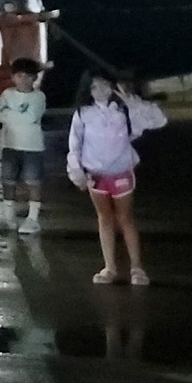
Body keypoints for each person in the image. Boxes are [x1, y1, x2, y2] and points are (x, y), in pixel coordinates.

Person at [68, 70, 167, 286]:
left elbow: (158, 120)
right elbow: (74, 146)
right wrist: (78, 173)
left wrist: (131, 100)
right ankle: (109, 267)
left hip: (121, 173)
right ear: (88, 91)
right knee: (104, 219)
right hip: (96, 176)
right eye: (94, 87)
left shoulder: (124, 110)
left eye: (104, 85)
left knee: (125, 218)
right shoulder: (83, 113)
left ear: (113, 86)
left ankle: (137, 267)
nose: (100, 90)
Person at [0, 58, 47, 233]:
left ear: (34, 78)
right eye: (19, 76)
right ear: (13, 77)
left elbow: (31, 117)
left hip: (32, 146)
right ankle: (9, 217)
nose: (23, 80)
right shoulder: (7, 94)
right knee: (8, 180)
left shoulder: (38, 96)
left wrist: (8, 113)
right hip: (9, 144)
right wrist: (15, 115)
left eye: (27, 76)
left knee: (33, 181)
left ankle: (32, 219)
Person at [0, 0, 60, 73]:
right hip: (19, 63)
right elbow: (15, 19)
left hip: (20, 63)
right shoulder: (6, 20)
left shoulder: (5, 20)